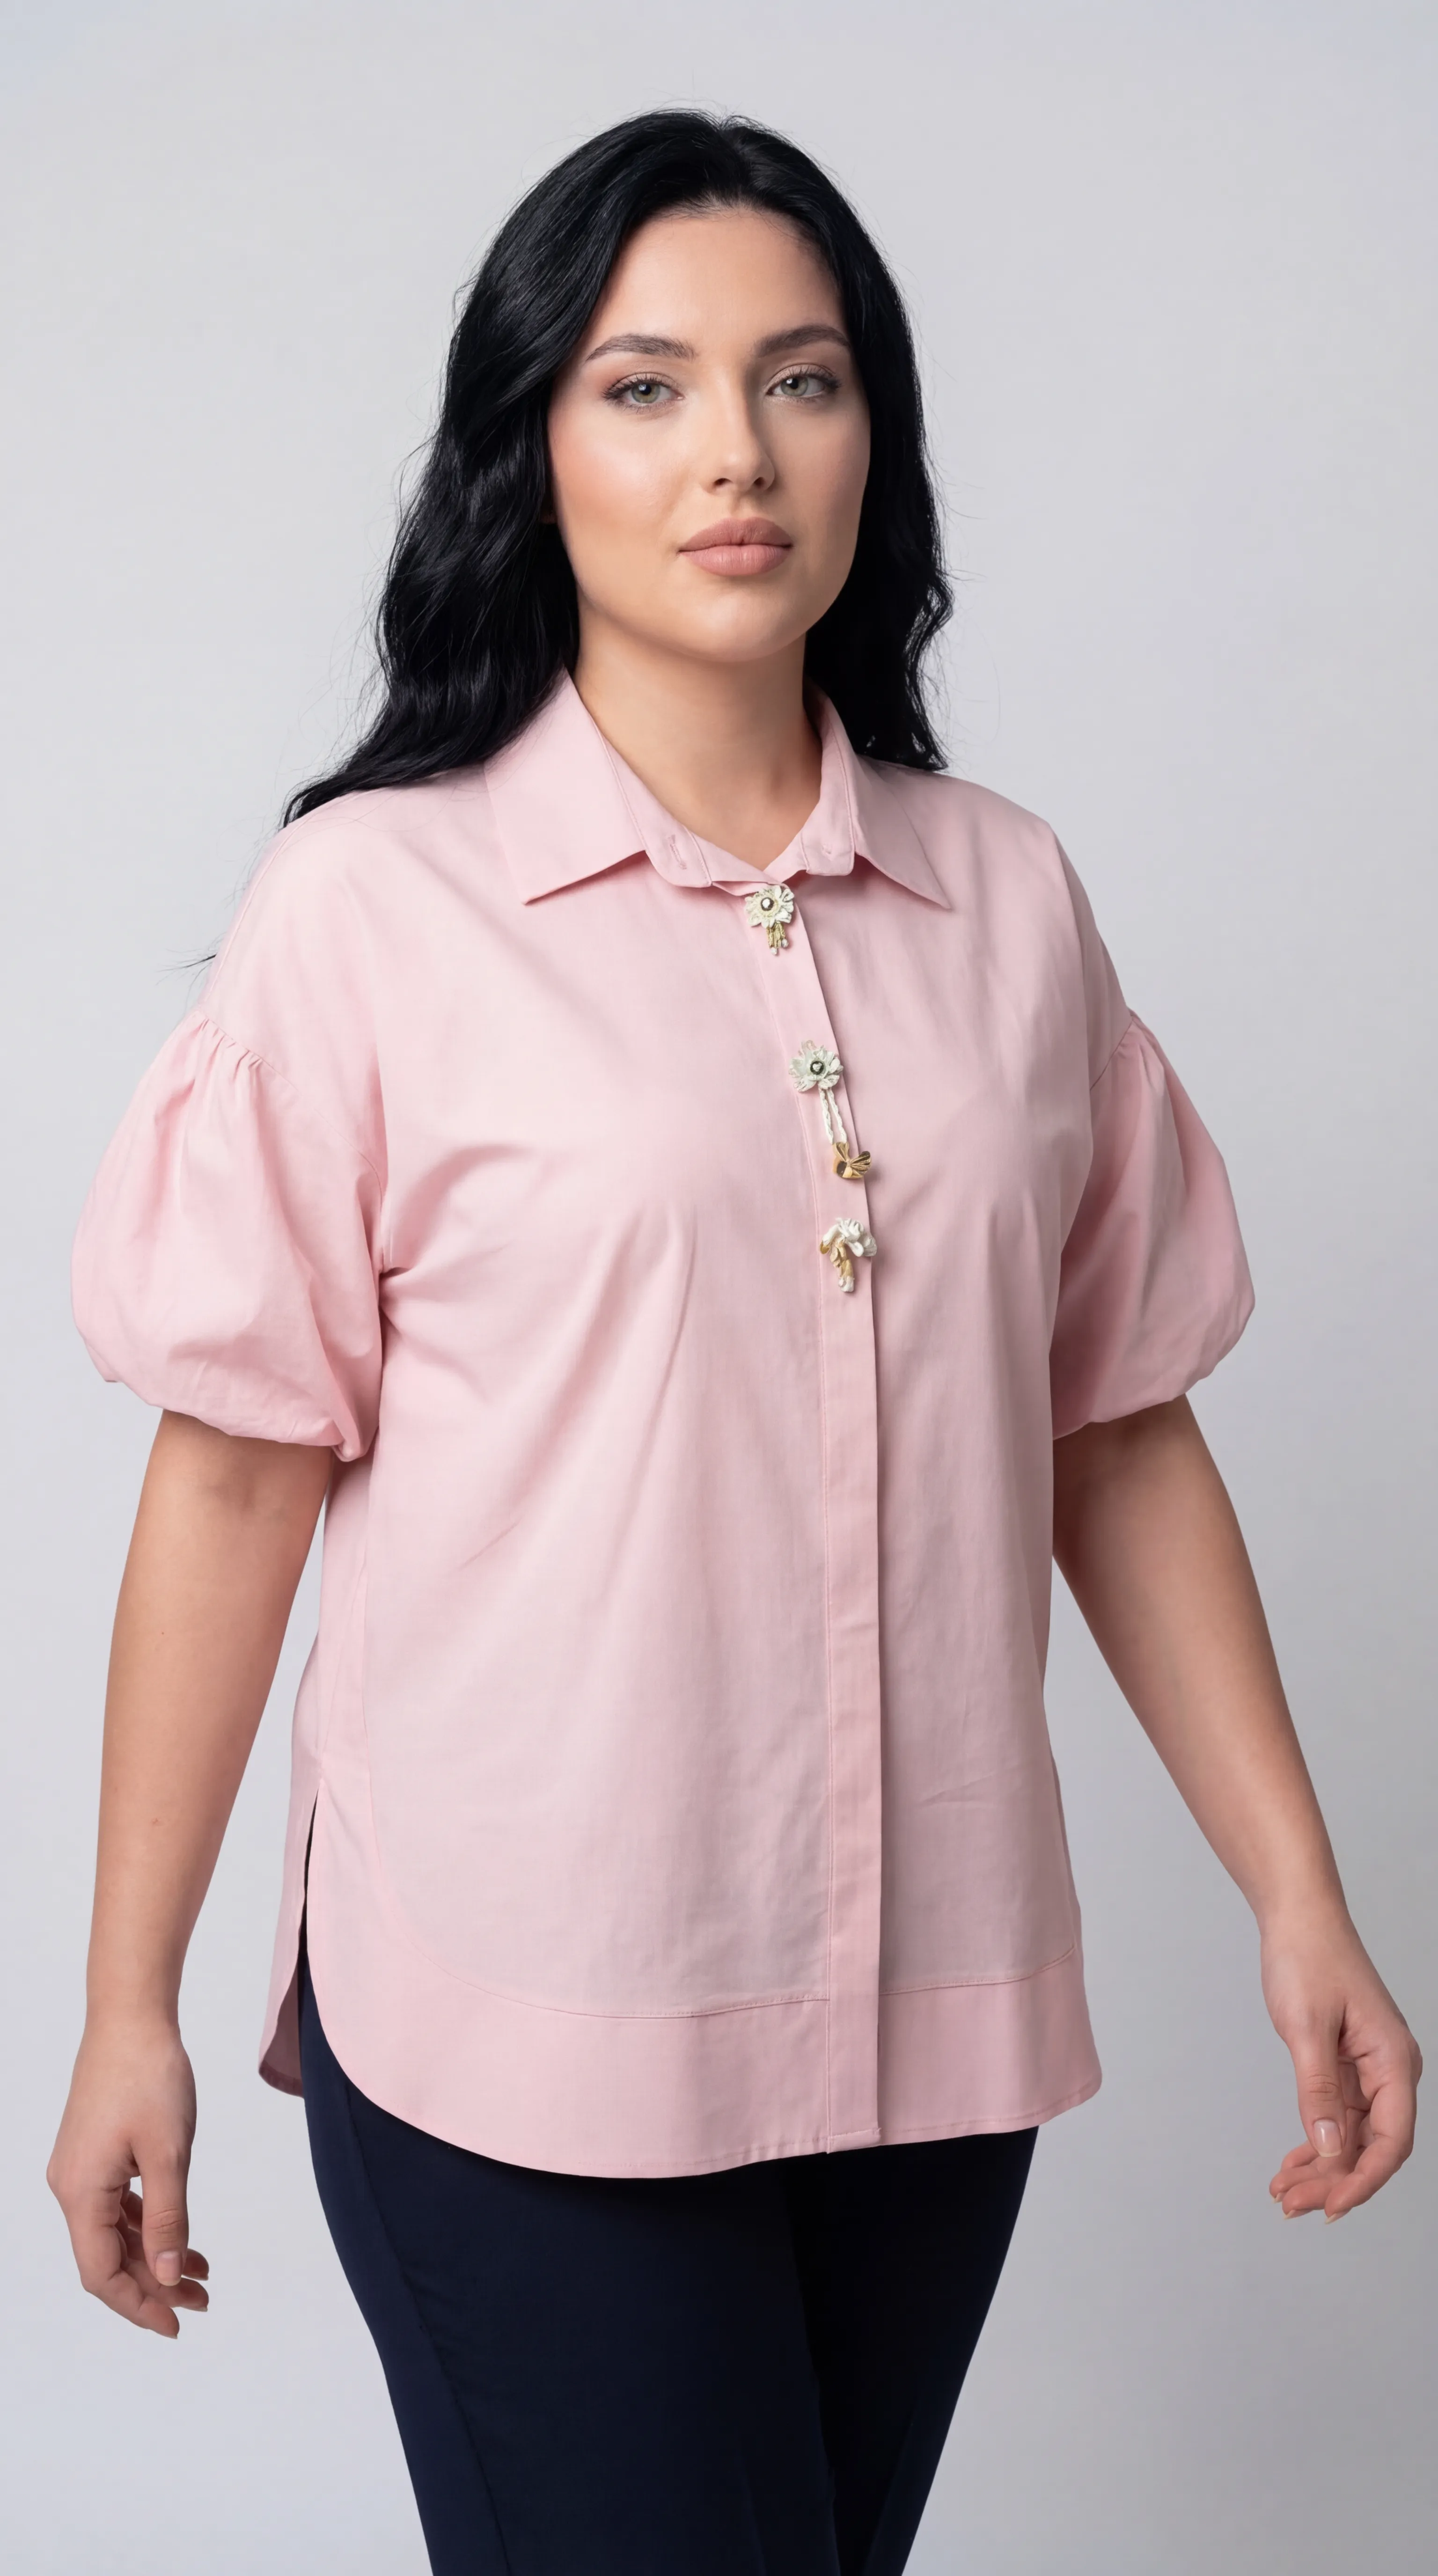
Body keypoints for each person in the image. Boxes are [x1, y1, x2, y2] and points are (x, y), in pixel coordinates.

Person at [48, 109, 1419, 2576]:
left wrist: (1298, 1896)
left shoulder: (1010, 904)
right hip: (515, 2014)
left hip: (927, 2025)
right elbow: (235, 1473)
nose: (737, 454)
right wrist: (124, 1999)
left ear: (875, 436)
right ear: (529, 445)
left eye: (801, 378)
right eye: (644, 385)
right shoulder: (372, 907)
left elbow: (1115, 1429)